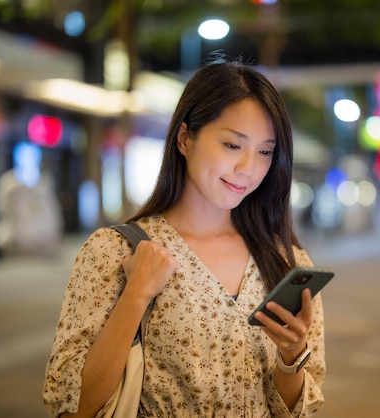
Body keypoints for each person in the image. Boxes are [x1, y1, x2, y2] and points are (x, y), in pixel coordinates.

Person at [43, 59, 326, 417]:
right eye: (233, 145)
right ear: (184, 138)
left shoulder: (287, 263)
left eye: (265, 152)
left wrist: (291, 357)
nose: (248, 168)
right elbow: (76, 407)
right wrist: (136, 295)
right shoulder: (116, 251)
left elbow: (297, 411)